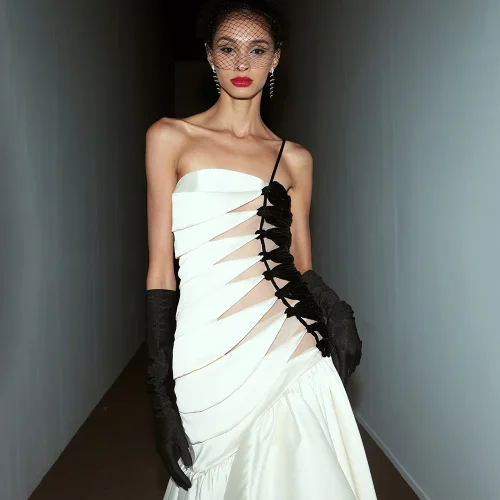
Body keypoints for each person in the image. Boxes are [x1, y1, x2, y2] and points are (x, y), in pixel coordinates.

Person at [145, 0, 377, 498]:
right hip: (205, 346)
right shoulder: (170, 137)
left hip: (286, 342)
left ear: (276, 58)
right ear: (210, 55)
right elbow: (161, 271)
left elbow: (302, 266)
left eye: (257, 49)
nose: (242, 62)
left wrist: (336, 315)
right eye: (228, 49)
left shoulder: (296, 159)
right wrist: (160, 390)